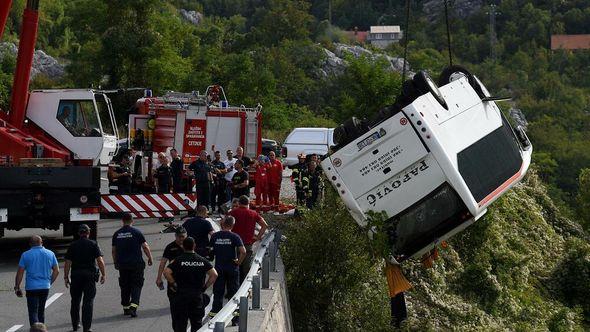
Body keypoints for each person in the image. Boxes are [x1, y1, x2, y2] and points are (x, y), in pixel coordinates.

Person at [164, 237, 218, 332]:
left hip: (181, 296)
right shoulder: (202, 260)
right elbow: (214, 274)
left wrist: (174, 283)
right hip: (196, 296)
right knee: (196, 324)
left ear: (183, 247)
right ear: (194, 246)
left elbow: (166, 272)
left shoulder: (178, 260)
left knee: (180, 324)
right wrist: (204, 287)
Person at [64, 224, 106, 332]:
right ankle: (86, 328)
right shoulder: (93, 244)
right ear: (88, 233)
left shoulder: (73, 245)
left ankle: (75, 325)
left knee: (75, 301)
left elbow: (68, 262)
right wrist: (103, 274)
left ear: (78, 233)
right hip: (89, 276)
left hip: (76, 275)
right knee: (88, 301)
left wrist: (66, 276)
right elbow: (100, 261)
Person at [112, 213, 153, 317]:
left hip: (123, 265)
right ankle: (133, 308)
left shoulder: (117, 234)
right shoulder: (137, 232)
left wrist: (115, 262)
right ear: (132, 220)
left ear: (122, 220)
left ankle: (125, 308)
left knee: (125, 285)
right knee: (136, 285)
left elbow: (114, 251)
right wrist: (150, 257)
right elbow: (145, 247)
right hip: (136, 264)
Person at [14, 235, 59, 327]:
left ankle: (35, 329)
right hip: (45, 287)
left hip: (31, 287)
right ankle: (41, 329)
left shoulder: (25, 255)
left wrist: (17, 286)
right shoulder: (50, 253)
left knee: (33, 312)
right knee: (41, 311)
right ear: (41, 242)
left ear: (30, 244)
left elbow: (20, 272)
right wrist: (49, 282)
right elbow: (56, 270)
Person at [208, 216, 246, 317]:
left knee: (218, 292)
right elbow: (243, 252)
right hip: (232, 268)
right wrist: (238, 262)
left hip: (219, 268)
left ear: (222, 224)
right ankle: (235, 318)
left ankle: (215, 316)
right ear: (233, 225)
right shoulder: (235, 236)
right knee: (233, 293)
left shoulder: (215, 236)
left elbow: (210, 251)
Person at [229, 196, 268, 283]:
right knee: (246, 269)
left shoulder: (232, 213)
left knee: (234, 268)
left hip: (234, 246)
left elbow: (224, 224)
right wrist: (257, 238)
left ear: (239, 203)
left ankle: (232, 289)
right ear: (248, 203)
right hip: (247, 245)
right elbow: (265, 225)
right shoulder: (253, 213)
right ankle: (244, 289)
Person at [156, 227, 188, 330]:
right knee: (174, 308)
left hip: (187, 281)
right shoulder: (170, 247)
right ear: (175, 236)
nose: (181, 239)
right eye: (179, 237)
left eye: (183, 237)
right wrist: (159, 278)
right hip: (173, 281)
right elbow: (163, 263)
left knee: (186, 308)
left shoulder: (190, 245)